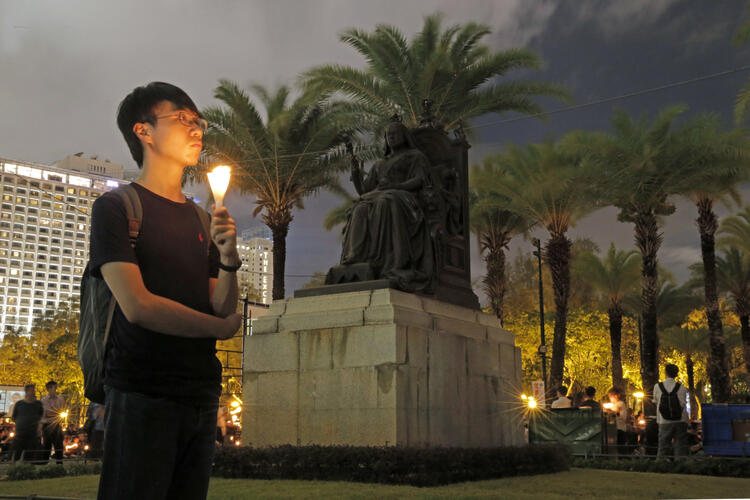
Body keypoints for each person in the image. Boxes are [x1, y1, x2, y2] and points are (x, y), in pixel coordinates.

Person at [91, 82, 242, 500]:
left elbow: (222, 302)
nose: (197, 130)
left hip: (200, 394)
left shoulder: (200, 217)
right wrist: (220, 328)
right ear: (144, 131)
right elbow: (139, 307)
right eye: (182, 119)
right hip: (142, 391)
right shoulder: (118, 208)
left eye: (199, 122)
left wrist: (228, 257)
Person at [653, 363, 689, 458]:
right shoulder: (682, 388)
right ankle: (680, 467)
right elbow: (683, 404)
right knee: (680, 447)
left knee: (663, 447)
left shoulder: (657, 387)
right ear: (676, 374)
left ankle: (661, 466)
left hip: (664, 421)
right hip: (680, 420)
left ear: (665, 373)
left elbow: (656, 402)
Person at [10, 384, 43, 462]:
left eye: (34, 390)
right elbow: (14, 417)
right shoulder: (19, 404)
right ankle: (13, 469)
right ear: (27, 391)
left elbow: (42, 417)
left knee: (29, 455)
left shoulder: (38, 404)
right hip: (20, 433)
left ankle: (27, 470)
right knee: (16, 453)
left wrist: (39, 427)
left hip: (32, 433)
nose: (34, 392)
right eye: (32, 390)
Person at [40, 380, 66, 464]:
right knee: (46, 445)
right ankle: (44, 464)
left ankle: (59, 464)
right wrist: (55, 413)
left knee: (59, 446)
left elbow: (61, 411)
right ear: (48, 389)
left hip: (57, 425)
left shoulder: (60, 399)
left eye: (56, 387)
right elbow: (47, 413)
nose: (55, 389)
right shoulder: (44, 400)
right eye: (54, 388)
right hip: (47, 425)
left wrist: (54, 413)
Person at [606, 388, 628, 453]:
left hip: (620, 428)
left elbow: (616, 410)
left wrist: (608, 409)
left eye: (611, 396)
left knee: (620, 447)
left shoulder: (620, 403)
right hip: (614, 429)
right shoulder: (614, 405)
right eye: (610, 396)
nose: (610, 398)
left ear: (617, 395)